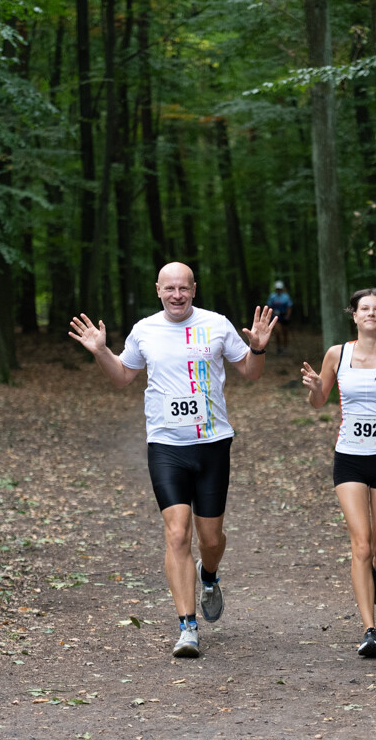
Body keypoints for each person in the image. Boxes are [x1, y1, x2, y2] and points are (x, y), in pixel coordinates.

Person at [69, 262, 276, 658]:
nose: (177, 295)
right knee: (178, 534)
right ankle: (187, 626)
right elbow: (122, 377)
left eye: (183, 288)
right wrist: (100, 352)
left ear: (194, 289)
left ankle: (209, 576)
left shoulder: (216, 324)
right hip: (165, 445)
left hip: (213, 444)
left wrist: (259, 347)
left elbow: (251, 372)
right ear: (158, 291)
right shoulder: (144, 330)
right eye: (170, 289)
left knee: (211, 539)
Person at [300, 286, 376, 658]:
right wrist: (315, 388)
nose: (371, 313)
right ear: (353, 315)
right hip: (350, 458)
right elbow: (318, 401)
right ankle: (370, 629)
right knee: (362, 544)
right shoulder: (337, 354)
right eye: (364, 308)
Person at [265, 280, 293, 354]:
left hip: (284, 316)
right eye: (277, 289)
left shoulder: (286, 297)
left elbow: (289, 307)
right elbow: (269, 306)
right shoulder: (272, 296)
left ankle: (285, 347)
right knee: (277, 332)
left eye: (280, 289)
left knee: (285, 332)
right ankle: (278, 347)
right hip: (276, 316)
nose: (278, 290)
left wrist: (288, 315)